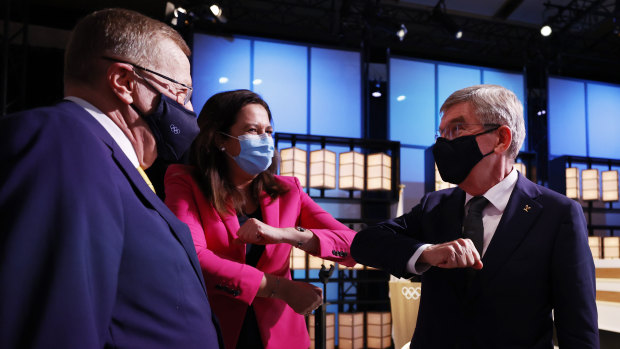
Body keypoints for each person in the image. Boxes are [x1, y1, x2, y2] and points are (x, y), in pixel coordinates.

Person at [0, 9, 222, 349]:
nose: (189, 112)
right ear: (124, 82)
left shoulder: (105, 159)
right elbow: (54, 324)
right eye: (181, 93)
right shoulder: (66, 143)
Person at [351, 84, 599, 348]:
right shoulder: (435, 205)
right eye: (441, 133)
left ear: (502, 139)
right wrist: (426, 253)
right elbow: (364, 243)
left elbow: (578, 328)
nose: (443, 144)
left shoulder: (557, 213)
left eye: (456, 129)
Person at [164, 89, 357, 349]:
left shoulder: (288, 190)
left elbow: (351, 244)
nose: (265, 140)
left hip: (280, 334)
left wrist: (288, 234)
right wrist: (280, 288)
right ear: (220, 139)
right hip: (213, 327)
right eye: (252, 131)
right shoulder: (186, 181)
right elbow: (193, 257)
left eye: (268, 131)